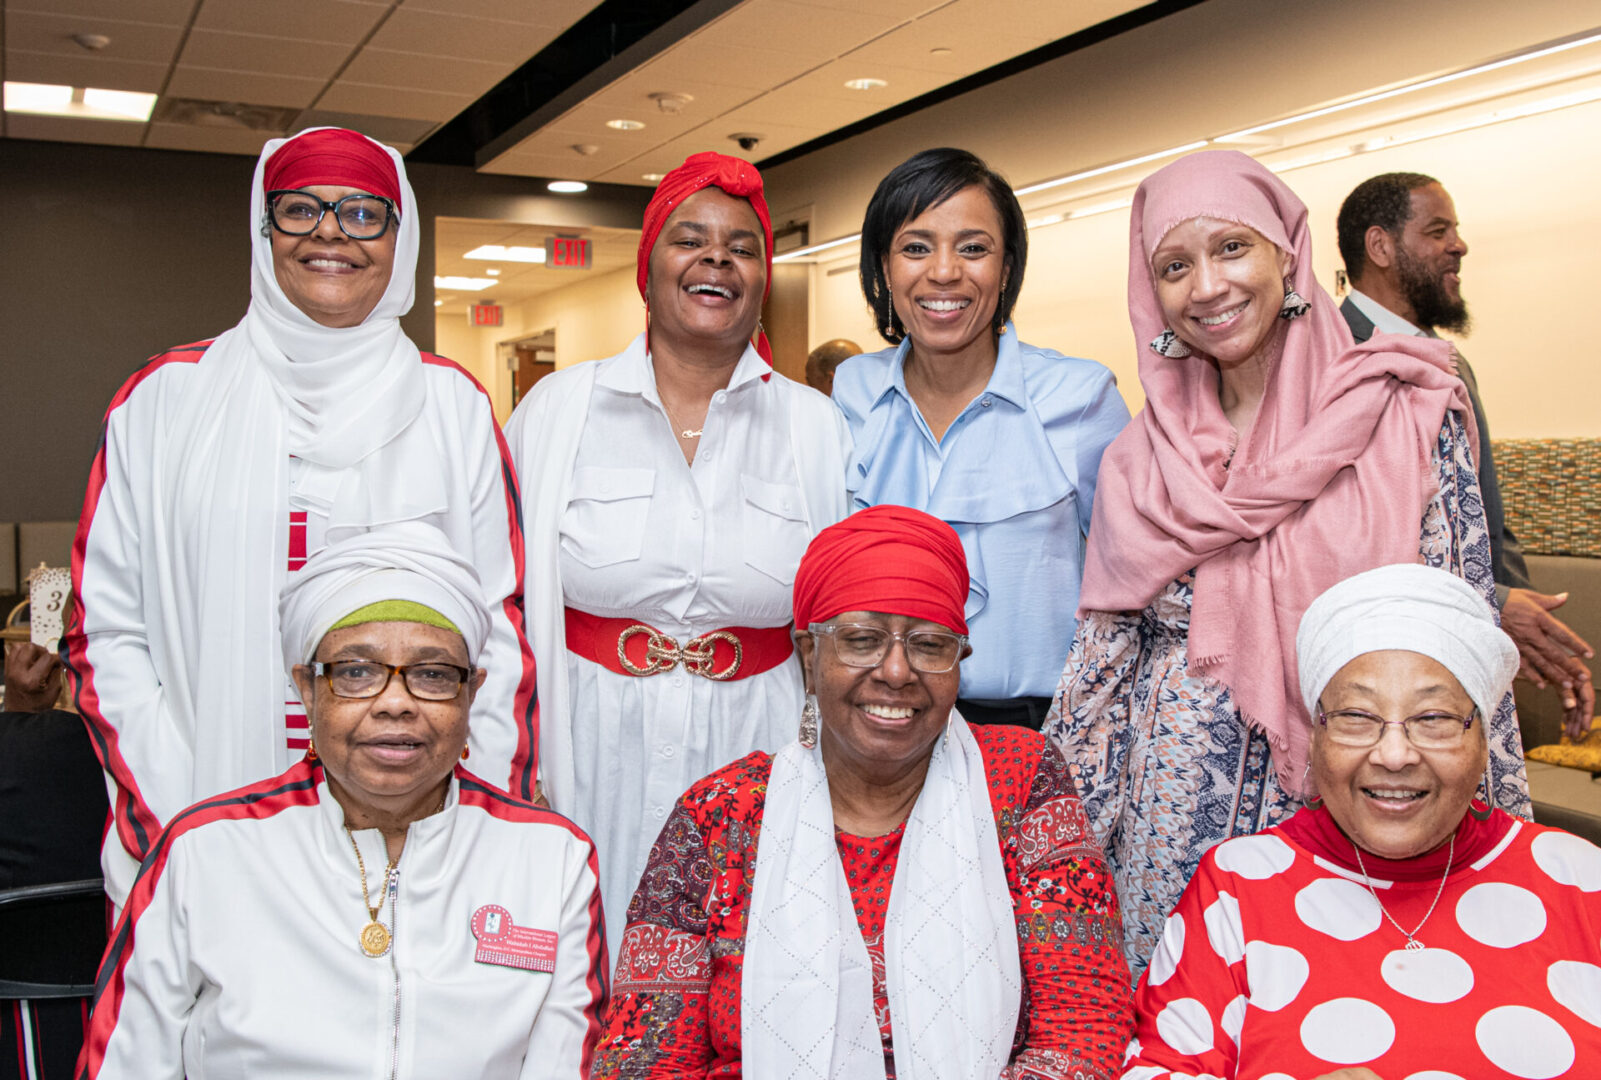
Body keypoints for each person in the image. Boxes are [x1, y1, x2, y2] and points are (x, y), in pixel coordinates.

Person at [1044, 150, 1531, 981]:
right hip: (1171, 823)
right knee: (1191, 1031)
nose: (1206, 286)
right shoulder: (1138, 459)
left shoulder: (1405, 409)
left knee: (1345, 1023)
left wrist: (1498, 840)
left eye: (1231, 247)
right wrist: (1056, 869)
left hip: (1368, 796)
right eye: (1173, 265)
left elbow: (1461, 647)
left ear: (1287, 255)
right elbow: (1103, 679)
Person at [65, 127, 537, 910]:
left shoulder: (451, 405)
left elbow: (499, 634)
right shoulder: (162, 399)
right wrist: (181, 817)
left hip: (417, 837)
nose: (329, 232)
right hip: (196, 821)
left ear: (400, 235)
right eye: (300, 210)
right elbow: (106, 636)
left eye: (362, 213)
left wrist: (474, 824)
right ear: (263, 228)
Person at [593, 506, 1133, 1079]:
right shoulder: (717, 817)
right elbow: (639, 1059)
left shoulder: (1021, 781)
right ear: (809, 655)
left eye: (929, 645)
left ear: (959, 664)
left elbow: (1084, 1027)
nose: (897, 671)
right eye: (862, 639)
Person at [77, 525, 606, 1079]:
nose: (396, 704)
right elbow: (126, 1063)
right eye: (356, 672)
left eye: (432, 674)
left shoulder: (552, 860)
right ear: (307, 689)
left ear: (471, 691)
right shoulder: (204, 852)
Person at [504, 151, 849, 941]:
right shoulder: (560, 409)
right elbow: (499, 605)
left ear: (761, 277)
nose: (716, 258)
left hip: (754, 753)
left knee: (735, 979)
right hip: (587, 747)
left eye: (742, 244)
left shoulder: (814, 427)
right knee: (583, 964)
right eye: (688, 238)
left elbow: (833, 624)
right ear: (648, 266)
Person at [1123, 563, 1601, 1079]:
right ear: (1315, 736)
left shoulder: (1578, 876)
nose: (1394, 754)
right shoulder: (1239, 884)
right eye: (1356, 717)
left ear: (1485, 743)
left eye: (1434, 719)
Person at [834, 148, 1129, 731]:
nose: (944, 272)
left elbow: (1133, 583)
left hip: (1038, 729)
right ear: (884, 267)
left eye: (973, 248)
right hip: (880, 721)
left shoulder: (1079, 395)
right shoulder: (852, 392)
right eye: (916, 248)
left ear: (1007, 266)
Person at [1337, 171, 1594, 736]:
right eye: (1438, 231)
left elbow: (1484, 511)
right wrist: (1495, 602)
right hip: (1382, 672)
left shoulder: (1449, 359)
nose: (1460, 245)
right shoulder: (1328, 356)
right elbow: (1343, 534)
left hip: (1467, 659)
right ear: (1380, 246)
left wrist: (1514, 622)